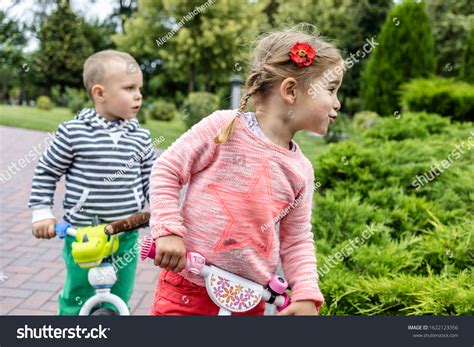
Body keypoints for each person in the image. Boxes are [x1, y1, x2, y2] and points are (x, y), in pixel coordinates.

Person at [149, 26, 344, 316]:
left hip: (248, 298)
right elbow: (166, 170)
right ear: (290, 90)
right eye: (331, 90)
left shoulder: (301, 169)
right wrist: (167, 230)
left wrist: (305, 293)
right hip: (188, 287)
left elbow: (297, 239)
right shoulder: (224, 127)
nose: (337, 104)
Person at [28, 50, 156, 315]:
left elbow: (151, 181)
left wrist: (160, 211)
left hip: (125, 234)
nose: (138, 95)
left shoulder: (141, 137)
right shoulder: (73, 132)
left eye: (140, 88)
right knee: (78, 296)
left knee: (118, 298)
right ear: (100, 93)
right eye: (129, 88)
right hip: (83, 235)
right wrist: (42, 213)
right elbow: (47, 171)